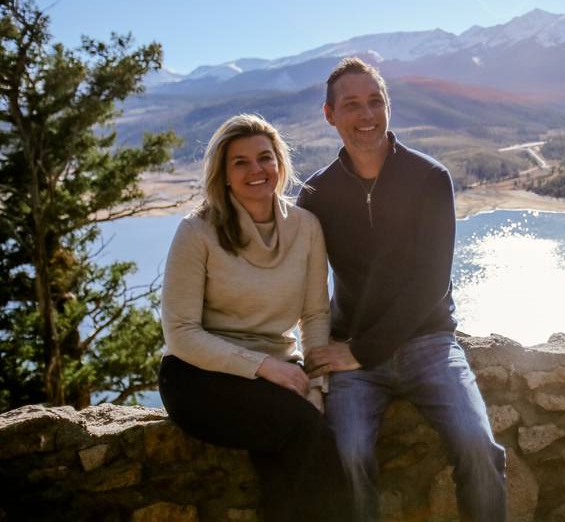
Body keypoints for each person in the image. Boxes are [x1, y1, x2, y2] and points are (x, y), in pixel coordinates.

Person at [297, 57, 506, 522]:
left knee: (479, 447)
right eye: (352, 105)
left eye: (376, 101)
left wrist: (363, 350)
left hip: (429, 343)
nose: (366, 115)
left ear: (388, 107)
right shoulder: (315, 196)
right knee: (347, 456)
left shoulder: (429, 178)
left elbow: (431, 281)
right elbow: (306, 286)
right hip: (350, 352)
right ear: (329, 115)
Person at [158, 113, 350, 522]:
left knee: (289, 459)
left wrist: (317, 386)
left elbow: (315, 314)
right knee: (308, 437)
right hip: (198, 377)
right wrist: (263, 367)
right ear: (224, 175)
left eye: (264, 158)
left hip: (277, 375)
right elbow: (180, 334)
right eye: (240, 162)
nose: (256, 170)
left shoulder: (307, 228)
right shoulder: (197, 232)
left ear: (280, 164)